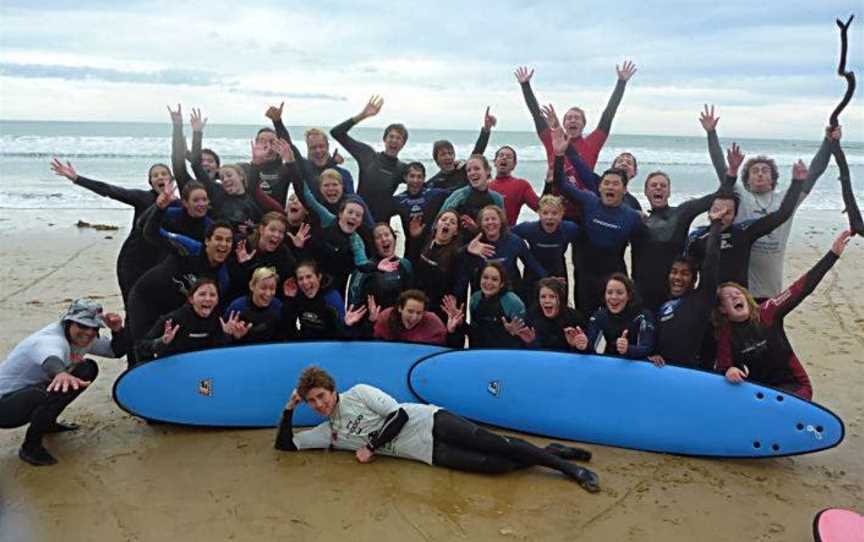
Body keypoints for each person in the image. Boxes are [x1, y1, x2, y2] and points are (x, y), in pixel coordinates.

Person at [275, 366, 600, 492]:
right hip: (424, 451)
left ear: (332, 390)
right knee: (496, 466)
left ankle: (568, 468)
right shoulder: (326, 432)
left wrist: (370, 447)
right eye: (312, 401)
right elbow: (286, 445)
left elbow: (398, 415)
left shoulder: (358, 393)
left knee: (496, 444)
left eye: (321, 396)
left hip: (429, 421)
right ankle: (550, 452)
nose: (318, 404)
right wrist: (290, 408)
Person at [702, 104, 836, 300]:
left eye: (765, 171)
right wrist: (711, 133)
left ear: (773, 179)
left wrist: (828, 141)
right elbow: (721, 166)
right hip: (739, 288)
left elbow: (813, 173)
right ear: (746, 179)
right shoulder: (740, 197)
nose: (759, 174)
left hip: (770, 287)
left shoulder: (786, 200)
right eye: (754, 171)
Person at [713, 230, 853, 400]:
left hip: (795, 385)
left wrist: (832, 255)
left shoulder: (767, 311)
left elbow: (801, 288)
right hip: (760, 392)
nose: (735, 296)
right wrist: (729, 370)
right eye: (728, 297)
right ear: (722, 309)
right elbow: (723, 365)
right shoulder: (726, 333)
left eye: (738, 293)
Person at [0, 299, 127, 466]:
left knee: (87, 368)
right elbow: (50, 358)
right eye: (82, 326)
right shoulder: (50, 339)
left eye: (94, 328)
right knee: (49, 390)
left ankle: (47, 424)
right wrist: (60, 373)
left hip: (32, 392)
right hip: (5, 406)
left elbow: (115, 351)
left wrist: (117, 330)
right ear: (68, 322)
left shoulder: (86, 337)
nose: (88, 332)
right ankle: (30, 447)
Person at [631, 138, 739, 311]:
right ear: (646, 191)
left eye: (663, 185)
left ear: (669, 191)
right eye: (653, 185)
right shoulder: (636, 219)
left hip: (673, 292)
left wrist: (732, 172)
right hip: (641, 294)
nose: (658, 188)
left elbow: (717, 195)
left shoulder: (682, 212)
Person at [550, 129, 645, 314]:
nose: (610, 186)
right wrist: (560, 154)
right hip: (585, 275)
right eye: (606, 183)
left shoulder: (633, 215)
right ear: (599, 186)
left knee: (613, 321)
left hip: (613, 277)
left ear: (624, 190)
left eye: (616, 184)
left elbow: (643, 248)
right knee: (584, 318)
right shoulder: (589, 200)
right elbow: (561, 183)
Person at [49, 158, 168, 306]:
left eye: (164, 173)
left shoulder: (181, 205)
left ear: (172, 179)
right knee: (133, 307)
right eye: (155, 175)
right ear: (150, 182)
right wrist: (77, 178)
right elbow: (109, 190)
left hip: (158, 264)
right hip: (132, 262)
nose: (160, 177)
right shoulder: (143, 198)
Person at [515, 61, 636, 201]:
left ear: (584, 124)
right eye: (569, 118)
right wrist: (525, 85)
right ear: (564, 123)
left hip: (583, 204)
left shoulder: (592, 143)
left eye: (577, 118)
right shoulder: (552, 139)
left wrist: (621, 83)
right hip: (555, 204)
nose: (573, 120)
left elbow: (609, 114)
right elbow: (536, 114)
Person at [686, 154, 807, 290]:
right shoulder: (697, 239)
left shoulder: (744, 234)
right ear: (708, 211)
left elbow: (782, 214)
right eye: (717, 210)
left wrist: (797, 183)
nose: (721, 216)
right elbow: (688, 273)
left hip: (738, 299)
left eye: (728, 212)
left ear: (735, 216)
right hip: (709, 303)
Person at [126, 218, 234, 360]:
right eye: (218, 239)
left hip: (174, 307)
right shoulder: (190, 248)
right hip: (146, 298)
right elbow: (150, 231)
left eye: (228, 240)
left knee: (173, 346)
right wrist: (159, 208)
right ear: (207, 241)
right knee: (141, 348)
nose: (223, 244)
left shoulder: (222, 277)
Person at [649, 202, 727, 369]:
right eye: (674, 272)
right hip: (665, 372)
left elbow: (711, 263)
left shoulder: (701, 300)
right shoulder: (664, 306)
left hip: (692, 374)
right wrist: (653, 353)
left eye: (684, 274)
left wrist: (716, 224)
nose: (677, 277)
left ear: (693, 279)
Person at [330, 95, 407, 222]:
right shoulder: (367, 154)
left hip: (380, 224)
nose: (394, 140)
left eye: (399, 138)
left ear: (403, 144)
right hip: (357, 218)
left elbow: (421, 187)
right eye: (391, 136)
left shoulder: (402, 168)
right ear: (384, 139)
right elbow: (336, 133)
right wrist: (363, 115)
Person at [137, 278, 250, 360]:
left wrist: (229, 336)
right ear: (191, 299)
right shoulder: (173, 320)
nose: (208, 299)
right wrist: (162, 341)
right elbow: (141, 347)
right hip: (174, 373)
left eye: (212, 295)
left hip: (202, 374)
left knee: (206, 392)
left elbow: (217, 354)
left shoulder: (217, 320)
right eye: (202, 294)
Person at [265, 101, 356, 202]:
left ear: (328, 146)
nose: (318, 150)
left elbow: (352, 202)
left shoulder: (343, 174)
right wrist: (277, 122)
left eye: (321, 146)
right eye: (313, 147)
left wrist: (332, 163)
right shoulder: (304, 167)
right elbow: (289, 147)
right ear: (308, 149)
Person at [461, 205, 546, 300]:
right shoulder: (476, 244)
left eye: (494, 219)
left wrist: (548, 280)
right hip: (484, 297)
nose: (490, 222)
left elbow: (532, 264)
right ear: (480, 224)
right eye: (486, 219)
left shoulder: (514, 241)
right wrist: (467, 250)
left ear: (501, 221)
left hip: (511, 294)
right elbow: (460, 269)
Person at [570, 273, 656, 360]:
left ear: (629, 296)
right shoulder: (599, 316)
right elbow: (593, 345)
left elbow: (648, 348)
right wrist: (584, 345)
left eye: (620, 293)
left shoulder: (643, 316)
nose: (614, 297)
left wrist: (628, 349)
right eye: (609, 292)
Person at [512, 195, 580, 292]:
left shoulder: (569, 229)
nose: (549, 217)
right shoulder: (529, 228)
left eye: (554, 213)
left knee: (559, 304)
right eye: (545, 213)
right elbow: (505, 235)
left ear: (562, 214)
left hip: (558, 271)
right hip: (533, 271)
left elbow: (586, 242)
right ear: (539, 214)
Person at [425, 106, 495, 191]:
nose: (448, 157)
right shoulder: (432, 183)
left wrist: (486, 129)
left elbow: (478, 151)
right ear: (436, 159)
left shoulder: (464, 170)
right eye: (443, 154)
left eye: (450, 153)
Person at [281, 261, 356, 340]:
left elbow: (345, 336)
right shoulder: (298, 295)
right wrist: (289, 300)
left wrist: (347, 325)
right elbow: (286, 329)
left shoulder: (331, 298)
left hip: (329, 344)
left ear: (319, 277)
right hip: (307, 345)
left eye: (309, 277)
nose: (305, 282)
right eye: (300, 279)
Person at [348, 223, 414, 310]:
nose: (384, 239)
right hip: (374, 320)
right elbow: (353, 303)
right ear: (373, 244)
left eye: (387, 234)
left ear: (394, 238)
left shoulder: (405, 264)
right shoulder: (364, 268)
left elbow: (412, 297)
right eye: (378, 237)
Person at [393, 162, 451, 259]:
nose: (415, 180)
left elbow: (458, 194)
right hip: (411, 249)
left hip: (431, 248)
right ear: (405, 178)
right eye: (412, 176)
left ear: (424, 178)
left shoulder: (433, 194)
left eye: (419, 177)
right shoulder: (398, 200)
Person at [513, 277, 588, 351]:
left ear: (560, 299)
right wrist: (531, 342)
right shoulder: (531, 317)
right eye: (543, 297)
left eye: (552, 297)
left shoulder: (575, 318)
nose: (547, 301)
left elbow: (588, 352)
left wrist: (575, 346)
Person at [440, 154, 505, 237]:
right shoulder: (459, 195)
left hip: (488, 243)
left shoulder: (497, 198)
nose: (472, 173)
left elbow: (503, 229)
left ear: (487, 171)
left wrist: (477, 230)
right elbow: (439, 222)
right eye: (468, 170)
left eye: (477, 169)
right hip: (459, 244)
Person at [467, 262, 527, 348]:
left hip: (505, 352)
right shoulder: (475, 298)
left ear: (502, 284)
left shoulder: (513, 302)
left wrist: (513, 333)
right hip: (479, 351)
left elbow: (525, 339)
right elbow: (473, 330)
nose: (488, 282)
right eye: (485, 277)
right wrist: (459, 324)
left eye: (494, 279)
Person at [373, 290, 462, 346]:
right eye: (410, 311)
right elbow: (373, 344)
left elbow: (447, 350)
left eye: (419, 313)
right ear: (400, 308)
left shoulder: (433, 322)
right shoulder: (386, 317)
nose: (414, 317)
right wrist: (370, 322)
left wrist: (451, 332)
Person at [224, 267, 284, 345]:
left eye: (272, 288)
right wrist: (233, 337)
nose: (268, 293)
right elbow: (223, 338)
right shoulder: (237, 307)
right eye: (263, 288)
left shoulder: (278, 307)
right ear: (252, 286)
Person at [488, 145, 540, 226]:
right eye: (501, 155)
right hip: (486, 234)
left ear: (514, 165)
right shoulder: (485, 186)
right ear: (494, 162)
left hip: (509, 234)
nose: (504, 158)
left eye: (509, 157)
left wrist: (549, 183)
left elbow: (540, 208)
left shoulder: (521, 185)